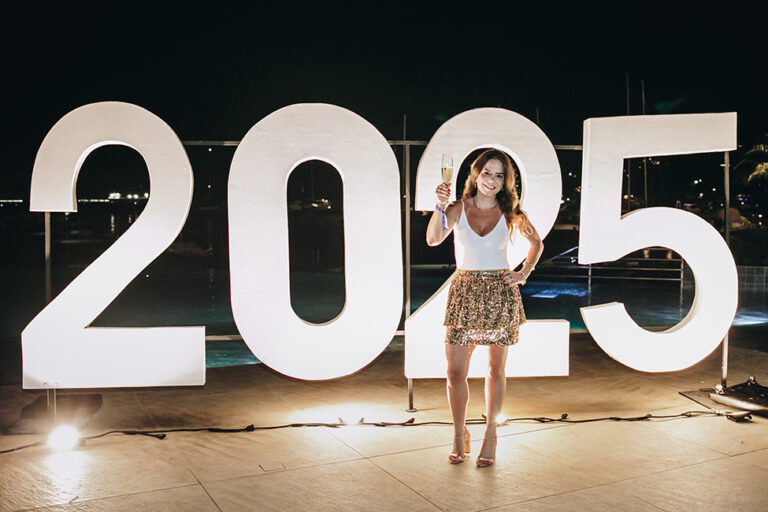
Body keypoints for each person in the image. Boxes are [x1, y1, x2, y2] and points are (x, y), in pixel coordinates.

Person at [426, 148, 543, 467]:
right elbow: (433, 239)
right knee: (454, 371)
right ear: (476, 175)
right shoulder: (457, 208)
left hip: (498, 293)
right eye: (487, 173)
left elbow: (537, 243)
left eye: (499, 175)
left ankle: (491, 436)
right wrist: (439, 205)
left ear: (505, 182)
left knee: (495, 370)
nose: (491, 180)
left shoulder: (511, 212)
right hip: (464, 292)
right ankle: (458, 434)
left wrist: (523, 273)